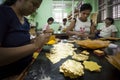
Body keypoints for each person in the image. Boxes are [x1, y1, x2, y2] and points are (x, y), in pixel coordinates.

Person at [0, 0, 50, 79]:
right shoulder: (3, 13)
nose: (34, 10)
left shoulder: (26, 22)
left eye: (37, 8)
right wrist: (35, 45)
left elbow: (21, 43)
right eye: (34, 4)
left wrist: (35, 41)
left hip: (27, 70)